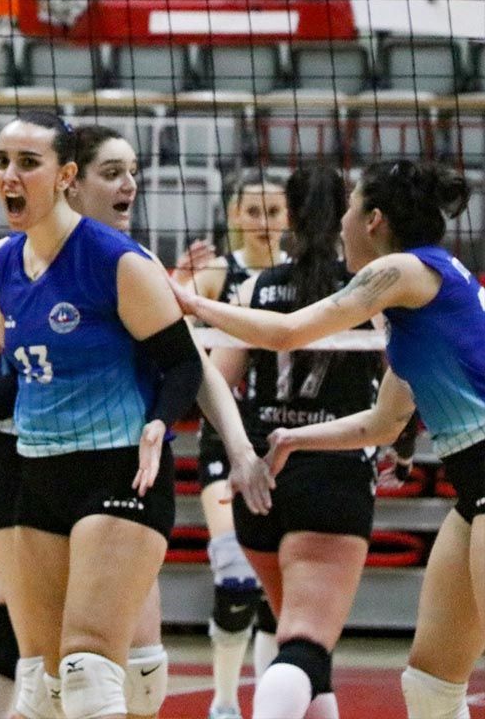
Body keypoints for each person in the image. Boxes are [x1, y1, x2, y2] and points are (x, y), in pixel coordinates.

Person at [0, 124, 264, 719]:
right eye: (1, 161)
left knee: (95, 669)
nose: (9, 175)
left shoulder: (119, 261)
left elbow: (187, 363)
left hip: (118, 467)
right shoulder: (3, 262)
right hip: (29, 465)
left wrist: (203, 437)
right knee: (44, 681)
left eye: (27, 162)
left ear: (63, 177)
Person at [172, 159, 482, 719]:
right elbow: (382, 424)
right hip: (471, 487)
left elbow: (289, 331)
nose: (340, 223)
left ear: (373, 220)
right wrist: (295, 438)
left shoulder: (406, 269)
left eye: (350, 209)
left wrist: (192, 304)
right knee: (431, 684)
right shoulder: (414, 315)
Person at [204, 166, 384, 719]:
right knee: (305, 643)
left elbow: (215, 380)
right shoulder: (369, 291)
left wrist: (241, 454)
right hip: (332, 478)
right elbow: (404, 385)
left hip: (261, 480)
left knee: (303, 646)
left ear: (291, 215)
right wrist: (400, 446)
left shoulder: (256, 287)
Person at [175, 170, 290, 716]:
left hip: (282, 437)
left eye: (275, 211)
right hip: (224, 436)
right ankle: (223, 702)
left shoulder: (302, 274)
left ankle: (268, 702)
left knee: (277, 591)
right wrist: (180, 283)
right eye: (254, 211)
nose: (265, 222)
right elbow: (167, 328)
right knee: (237, 577)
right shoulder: (221, 271)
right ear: (235, 217)